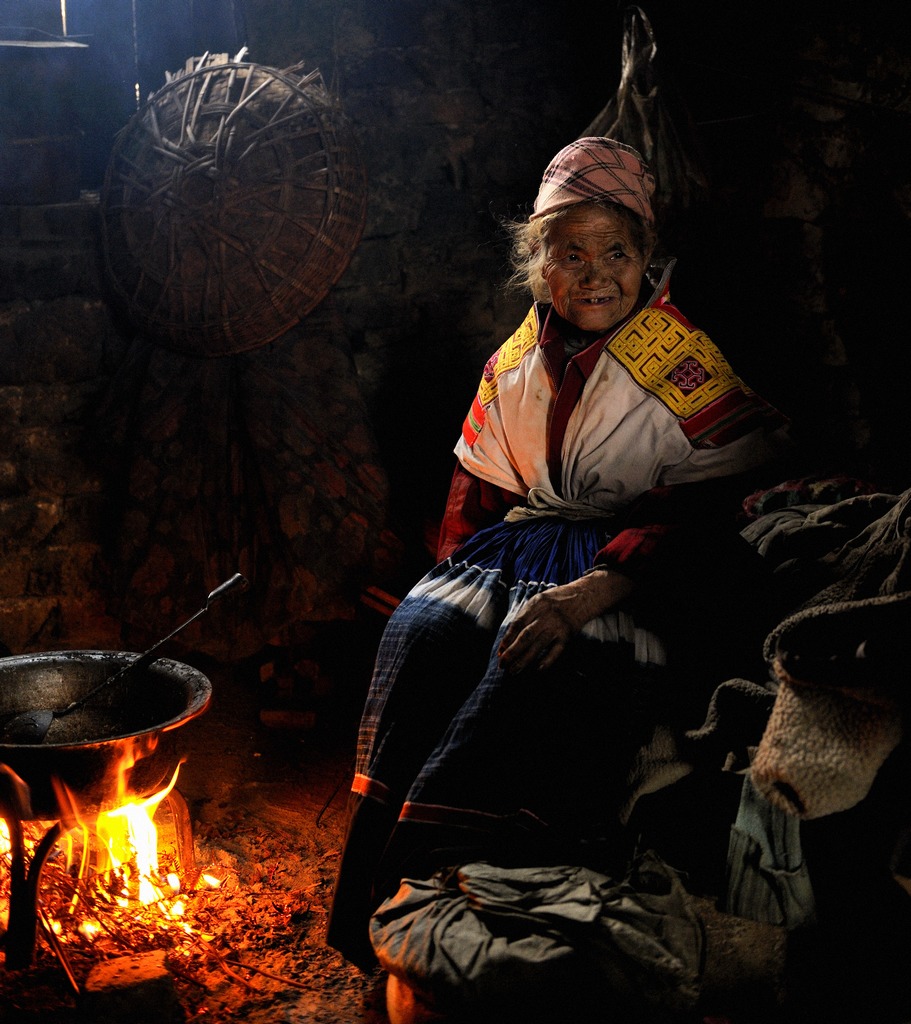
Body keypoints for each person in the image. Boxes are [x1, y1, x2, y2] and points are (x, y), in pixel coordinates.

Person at [326, 137, 792, 971]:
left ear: (645, 258)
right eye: (569, 254)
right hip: (522, 544)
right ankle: (390, 886)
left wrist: (589, 592)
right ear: (538, 265)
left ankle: (482, 878)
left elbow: (710, 507)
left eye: (615, 252)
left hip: (631, 564)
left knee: (540, 661)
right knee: (423, 634)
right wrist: (444, 582)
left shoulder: (680, 363)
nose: (594, 274)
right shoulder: (514, 363)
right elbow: (473, 496)